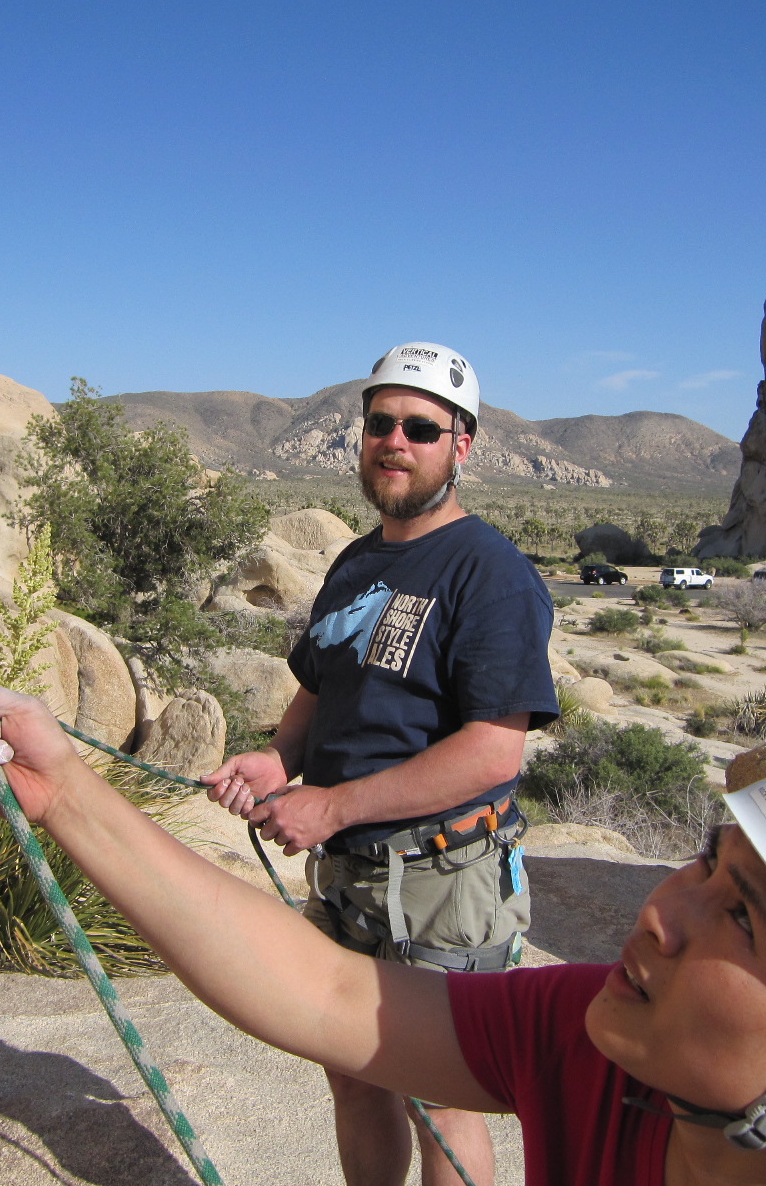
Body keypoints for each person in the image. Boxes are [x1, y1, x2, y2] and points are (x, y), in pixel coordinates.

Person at [0, 679, 766, 1186]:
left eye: (738, 917)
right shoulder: (608, 1054)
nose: (660, 910)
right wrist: (63, 796)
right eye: (708, 865)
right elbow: (341, 1001)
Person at [197, 342, 559, 1185]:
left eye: (421, 428)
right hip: (352, 874)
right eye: (380, 424)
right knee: (354, 1076)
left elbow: (492, 751)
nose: (395, 441)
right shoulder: (358, 560)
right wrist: (277, 759)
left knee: (440, 1103)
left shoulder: (492, 574)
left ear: (461, 444)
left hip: (440, 881)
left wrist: (331, 807)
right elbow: (320, 686)